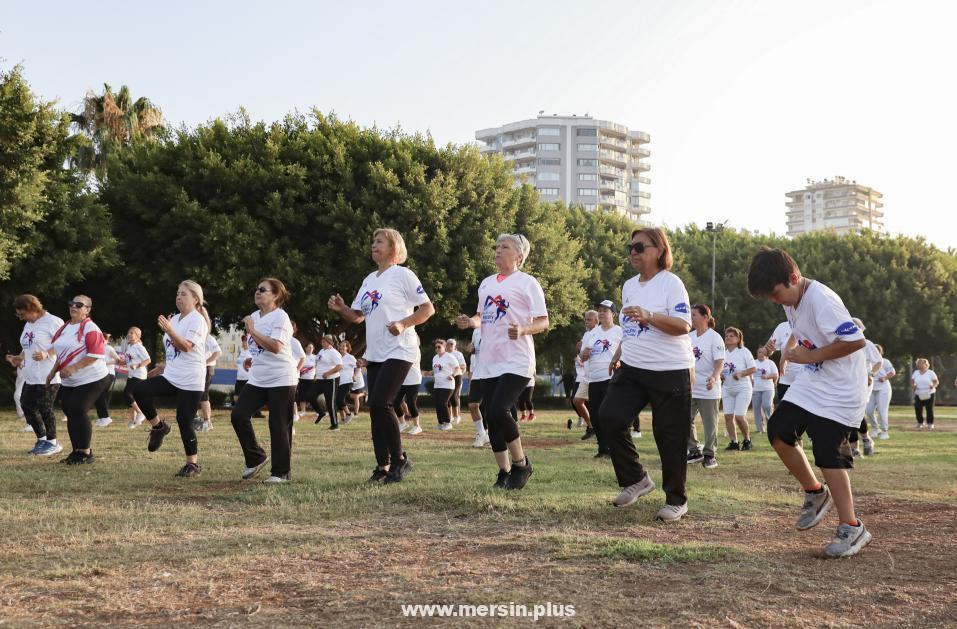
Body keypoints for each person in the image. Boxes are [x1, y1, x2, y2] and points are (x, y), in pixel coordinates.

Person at [747, 246, 871, 558]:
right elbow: (799, 329)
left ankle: (852, 526)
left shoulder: (821, 299)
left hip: (842, 387)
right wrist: (792, 349)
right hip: (815, 379)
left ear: (793, 277)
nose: (775, 301)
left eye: (775, 294)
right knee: (778, 430)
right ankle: (816, 493)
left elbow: (855, 340)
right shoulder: (793, 296)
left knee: (828, 451)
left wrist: (810, 355)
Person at [597, 228, 693, 521]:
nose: (633, 252)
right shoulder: (629, 286)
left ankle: (676, 500)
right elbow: (630, 328)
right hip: (633, 368)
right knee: (609, 417)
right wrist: (619, 353)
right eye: (631, 247)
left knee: (669, 437)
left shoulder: (671, 283)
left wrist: (650, 315)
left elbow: (683, 325)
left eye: (640, 247)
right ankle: (636, 479)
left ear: (659, 250)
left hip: (670, 370)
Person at [328, 228, 435, 484]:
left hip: (400, 349)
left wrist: (404, 323)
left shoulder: (403, 275)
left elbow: (427, 309)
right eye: (373, 241)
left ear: (394, 248)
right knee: (375, 408)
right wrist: (342, 308)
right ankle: (382, 466)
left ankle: (400, 460)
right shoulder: (369, 280)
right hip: (375, 353)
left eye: (379, 241)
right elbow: (357, 316)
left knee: (380, 402)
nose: (373, 245)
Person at [456, 233, 548, 490]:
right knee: (490, 415)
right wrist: (471, 322)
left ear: (518, 256)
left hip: (517, 359)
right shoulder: (486, 283)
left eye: (504, 247)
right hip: (488, 360)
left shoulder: (528, 283)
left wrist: (523, 329)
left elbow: (543, 321)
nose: (497, 250)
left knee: (499, 410)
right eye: (496, 246)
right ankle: (504, 472)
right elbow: (481, 316)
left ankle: (522, 465)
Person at [133, 281, 210, 477]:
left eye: (184, 294)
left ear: (195, 299)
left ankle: (192, 464)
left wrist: (169, 330)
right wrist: (162, 366)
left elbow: (187, 347)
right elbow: (174, 352)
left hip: (192, 379)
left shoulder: (197, 320)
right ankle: (159, 427)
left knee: (184, 420)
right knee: (140, 390)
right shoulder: (174, 319)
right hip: (172, 376)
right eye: (177, 293)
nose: (179, 297)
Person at [231, 277, 298, 483]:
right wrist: (252, 357)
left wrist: (252, 330)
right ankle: (256, 457)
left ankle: (281, 472)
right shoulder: (254, 316)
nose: (257, 292)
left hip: (281, 377)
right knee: (239, 415)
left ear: (275, 295)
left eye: (263, 290)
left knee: (278, 424)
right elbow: (259, 346)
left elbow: (276, 347)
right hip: (259, 378)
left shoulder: (280, 317)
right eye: (256, 289)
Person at [48, 295, 112, 464]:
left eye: (79, 304)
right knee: (69, 410)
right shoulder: (65, 327)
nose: (73, 306)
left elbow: (96, 354)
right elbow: (60, 355)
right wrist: (51, 373)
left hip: (93, 377)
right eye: (71, 303)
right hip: (71, 380)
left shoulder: (90, 328)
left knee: (77, 409)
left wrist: (74, 368)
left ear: (87, 310)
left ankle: (85, 453)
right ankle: (76, 451)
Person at [6, 294, 64, 455]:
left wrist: (47, 353)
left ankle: (53, 442)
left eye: (22, 314)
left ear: (32, 308)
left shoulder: (53, 321)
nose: (21, 317)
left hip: (48, 374)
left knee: (45, 407)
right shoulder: (29, 324)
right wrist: (19, 357)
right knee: (26, 405)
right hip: (31, 375)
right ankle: (42, 439)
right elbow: (28, 347)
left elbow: (64, 344)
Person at [580, 300, 622, 458]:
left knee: (608, 414)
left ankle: (613, 447)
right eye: (600, 310)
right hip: (594, 379)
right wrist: (584, 355)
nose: (602, 313)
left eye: (606, 310)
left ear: (613, 314)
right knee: (596, 415)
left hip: (611, 377)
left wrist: (619, 361)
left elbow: (627, 349)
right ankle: (603, 448)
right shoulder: (593, 333)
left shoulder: (619, 331)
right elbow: (583, 356)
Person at [687, 303, 724, 469]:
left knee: (710, 424)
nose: (691, 317)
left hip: (709, 388)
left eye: (694, 314)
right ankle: (694, 450)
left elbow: (719, 362)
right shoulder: (689, 336)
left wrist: (714, 377)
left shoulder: (714, 337)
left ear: (705, 317)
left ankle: (709, 455)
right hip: (691, 387)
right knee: (683, 419)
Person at [721, 327, 756, 451]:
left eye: (732, 336)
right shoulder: (722, 352)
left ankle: (747, 440)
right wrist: (719, 374)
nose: (728, 338)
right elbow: (719, 368)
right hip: (727, 388)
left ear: (738, 338)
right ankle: (734, 442)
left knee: (739, 417)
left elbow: (753, 368)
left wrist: (740, 374)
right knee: (728, 417)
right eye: (727, 336)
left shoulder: (744, 351)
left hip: (743, 388)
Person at [425, 338, 460, 431]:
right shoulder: (435, 357)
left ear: (444, 347)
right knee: (437, 403)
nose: (437, 349)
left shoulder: (449, 356)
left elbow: (457, 368)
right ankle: (440, 423)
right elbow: (436, 370)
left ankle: (448, 423)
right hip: (438, 384)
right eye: (435, 347)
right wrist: (430, 373)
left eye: (439, 347)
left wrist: (453, 375)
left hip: (448, 384)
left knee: (443, 402)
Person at [120, 327, 151, 428]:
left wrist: (137, 366)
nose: (129, 334)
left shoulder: (139, 347)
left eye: (132, 333)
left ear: (138, 336)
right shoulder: (130, 346)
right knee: (131, 397)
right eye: (128, 333)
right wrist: (119, 361)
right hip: (131, 374)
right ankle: (133, 421)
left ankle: (140, 413)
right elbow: (128, 361)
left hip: (139, 375)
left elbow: (148, 360)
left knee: (127, 394)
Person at [313, 335, 343, 430]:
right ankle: (321, 413)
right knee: (309, 395)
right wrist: (316, 374)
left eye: (324, 341)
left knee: (330, 402)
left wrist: (328, 373)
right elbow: (318, 363)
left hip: (331, 380)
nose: (322, 343)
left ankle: (335, 425)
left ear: (329, 343)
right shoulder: (321, 351)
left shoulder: (334, 353)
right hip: (319, 380)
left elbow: (339, 366)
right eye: (322, 341)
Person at [466, 328, 490, 447]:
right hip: (478, 372)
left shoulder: (497, 323)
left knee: (493, 407)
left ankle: (494, 435)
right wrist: (471, 348)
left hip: (493, 371)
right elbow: (474, 348)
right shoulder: (476, 330)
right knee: (473, 405)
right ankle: (482, 434)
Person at [865, 344, 895, 440]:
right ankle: (875, 428)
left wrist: (885, 377)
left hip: (883, 388)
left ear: (880, 352)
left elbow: (893, 372)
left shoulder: (885, 361)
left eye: (877, 351)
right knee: (869, 411)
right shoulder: (867, 362)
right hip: (871, 389)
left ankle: (884, 431)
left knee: (882, 411)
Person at [93, 335, 121, 428]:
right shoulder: (96, 348)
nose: (101, 340)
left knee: (99, 394)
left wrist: (105, 363)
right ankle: (102, 418)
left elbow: (118, 360)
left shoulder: (108, 348)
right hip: (99, 375)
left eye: (103, 339)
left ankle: (105, 418)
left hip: (109, 374)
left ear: (106, 340)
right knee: (99, 395)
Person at [196, 334, 222, 432]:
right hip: (198, 368)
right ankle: (198, 420)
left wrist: (205, 362)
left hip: (207, 368)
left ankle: (207, 422)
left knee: (203, 395)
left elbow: (218, 352)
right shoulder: (196, 336)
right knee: (196, 394)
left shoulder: (209, 338)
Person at [766, 320, 796, 404]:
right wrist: (769, 349)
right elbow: (768, 352)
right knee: (786, 416)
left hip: (807, 383)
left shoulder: (811, 322)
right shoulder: (782, 326)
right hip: (785, 381)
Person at [751, 346, 779, 434]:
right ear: (757, 353)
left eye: (763, 352)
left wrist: (767, 376)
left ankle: (771, 426)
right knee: (756, 408)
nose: (761, 354)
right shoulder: (753, 363)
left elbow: (775, 375)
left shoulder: (770, 363)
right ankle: (760, 429)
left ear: (766, 354)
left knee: (767, 405)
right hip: (755, 389)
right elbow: (749, 373)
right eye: (759, 352)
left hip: (768, 388)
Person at [911, 358, 939, 430]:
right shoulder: (916, 372)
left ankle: (930, 423)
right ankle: (920, 422)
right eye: (918, 363)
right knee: (918, 408)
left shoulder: (930, 372)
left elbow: (936, 381)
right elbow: (912, 380)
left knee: (929, 408)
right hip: (918, 393)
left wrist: (933, 386)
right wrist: (913, 386)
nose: (920, 365)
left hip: (929, 393)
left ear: (926, 365)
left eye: (921, 363)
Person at [446, 339, 466, 425]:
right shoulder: (445, 354)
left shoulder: (458, 354)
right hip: (447, 378)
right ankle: (449, 416)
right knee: (448, 397)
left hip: (456, 377)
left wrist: (458, 373)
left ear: (455, 346)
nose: (450, 345)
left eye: (452, 344)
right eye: (448, 344)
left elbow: (463, 366)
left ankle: (457, 415)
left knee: (455, 396)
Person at [338, 341, 358, 424]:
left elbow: (358, 367)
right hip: (338, 382)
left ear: (347, 348)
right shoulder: (337, 356)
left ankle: (349, 414)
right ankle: (343, 419)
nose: (342, 347)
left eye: (344, 346)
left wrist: (355, 375)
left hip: (348, 381)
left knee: (339, 399)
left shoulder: (350, 357)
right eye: (340, 346)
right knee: (336, 400)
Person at [296, 342, 317, 419]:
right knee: (302, 395)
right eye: (309, 347)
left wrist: (316, 376)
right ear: (305, 348)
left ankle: (317, 411)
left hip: (311, 379)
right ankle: (303, 411)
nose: (310, 349)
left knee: (313, 395)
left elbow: (318, 368)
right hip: (302, 379)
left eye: (311, 347)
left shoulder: (315, 357)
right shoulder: (302, 357)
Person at [233, 334, 251, 407]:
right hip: (239, 377)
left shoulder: (251, 351)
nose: (244, 342)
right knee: (236, 397)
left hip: (248, 378)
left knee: (249, 396)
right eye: (243, 341)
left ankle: (250, 411)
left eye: (245, 341)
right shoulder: (240, 350)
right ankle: (238, 409)